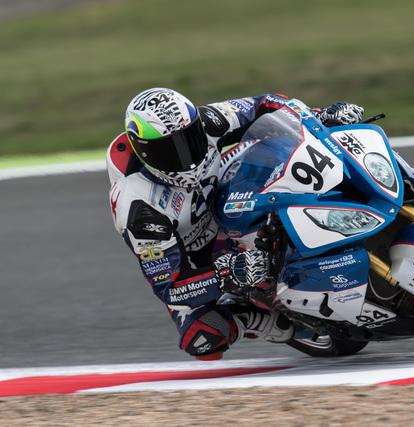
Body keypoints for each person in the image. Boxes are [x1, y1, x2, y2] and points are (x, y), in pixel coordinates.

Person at [107, 88, 364, 360]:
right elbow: (171, 287)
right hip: (199, 260)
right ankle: (264, 321)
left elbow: (265, 103)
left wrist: (317, 116)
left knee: (278, 144)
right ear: (144, 152)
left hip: (228, 199)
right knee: (204, 337)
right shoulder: (139, 210)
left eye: (190, 139)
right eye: (169, 150)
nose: (186, 156)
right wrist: (226, 273)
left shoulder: (208, 120)